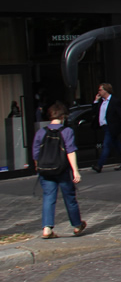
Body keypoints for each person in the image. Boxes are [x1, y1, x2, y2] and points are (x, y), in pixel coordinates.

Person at [33, 101, 86, 239]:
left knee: (48, 198)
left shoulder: (41, 132)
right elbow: (70, 151)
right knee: (70, 198)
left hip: (45, 170)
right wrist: (75, 171)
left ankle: (47, 228)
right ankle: (76, 225)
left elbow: (35, 154)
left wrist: (38, 167)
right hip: (62, 170)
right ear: (63, 117)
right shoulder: (67, 131)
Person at [92, 82, 121, 173]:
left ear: (106, 90)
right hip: (104, 127)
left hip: (111, 127)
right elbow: (94, 112)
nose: (99, 92)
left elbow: (120, 115)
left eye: (100, 90)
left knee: (106, 146)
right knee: (117, 145)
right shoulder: (101, 102)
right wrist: (95, 101)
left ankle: (99, 165)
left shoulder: (114, 101)